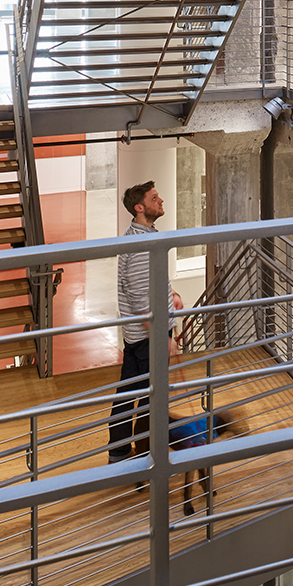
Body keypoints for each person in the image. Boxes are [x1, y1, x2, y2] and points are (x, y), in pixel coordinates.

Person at [108, 179, 186, 466]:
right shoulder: (141, 245)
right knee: (150, 397)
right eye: (154, 198)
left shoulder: (142, 236)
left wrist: (172, 296)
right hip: (147, 338)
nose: (161, 201)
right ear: (139, 208)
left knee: (129, 392)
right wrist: (161, 338)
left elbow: (149, 285)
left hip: (139, 336)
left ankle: (119, 452)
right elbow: (141, 299)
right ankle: (145, 456)